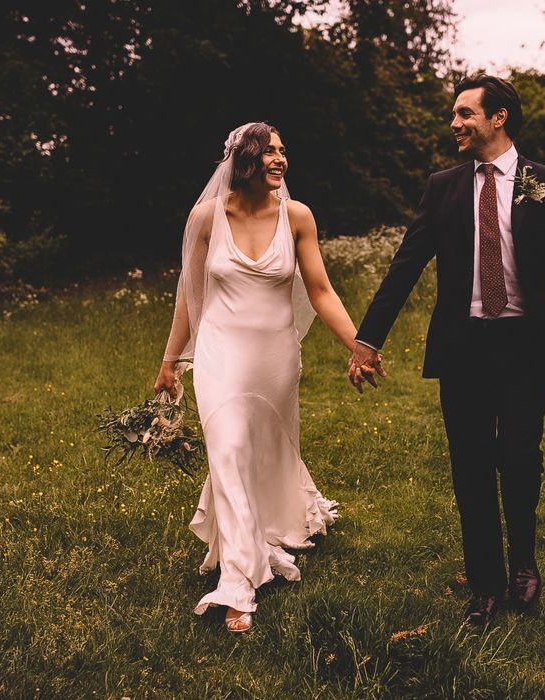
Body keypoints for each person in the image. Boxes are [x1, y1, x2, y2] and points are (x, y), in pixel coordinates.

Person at [349, 74, 545, 629]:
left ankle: (524, 561)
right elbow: (405, 264)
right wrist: (367, 339)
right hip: (464, 348)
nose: (455, 123)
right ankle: (486, 587)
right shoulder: (442, 186)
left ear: (499, 118)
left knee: (520, 460)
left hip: (525, 346)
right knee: (470, 467)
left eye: (465, 113)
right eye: (455, 114)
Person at [154, 122, 359, 632]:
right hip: (219, 352)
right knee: (226, 449)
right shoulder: (206, 217)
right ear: (243, 159)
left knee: (258, 451)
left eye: (283, 151)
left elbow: (321, 290)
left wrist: (360, 344)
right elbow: (189, 297)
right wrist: (170, 361)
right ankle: (239, 583)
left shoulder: (297, 217)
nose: (280, 159)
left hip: (274, 357)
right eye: (269, 151)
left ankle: (262, 527)